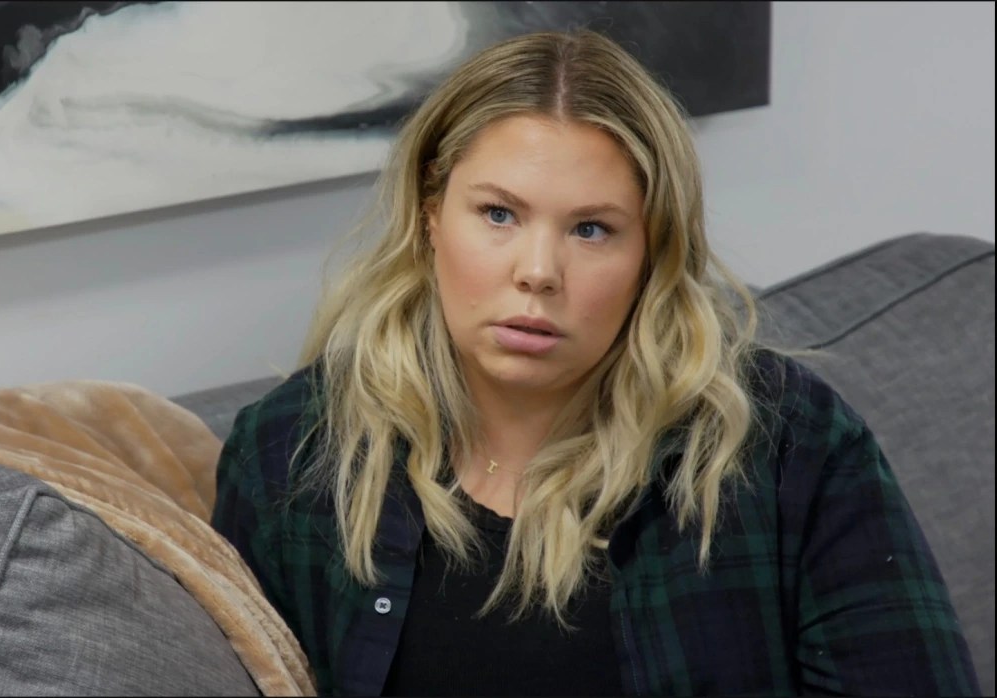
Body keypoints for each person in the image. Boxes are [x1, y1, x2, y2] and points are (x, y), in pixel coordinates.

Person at [211, 29, 978, 697]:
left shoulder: (788, 445)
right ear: (430, 215)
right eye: (499, 214)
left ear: (652, 252)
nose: (538, 272)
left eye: (592, 230)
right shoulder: (289, 455)